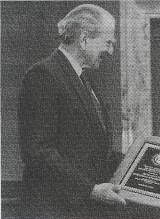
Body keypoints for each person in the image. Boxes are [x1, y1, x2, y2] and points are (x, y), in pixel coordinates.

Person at [19, 4, 126, 218]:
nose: (111, 51)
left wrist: (140, 161)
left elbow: (95, 151)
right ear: (84, 39)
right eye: (108, 43)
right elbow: (38, 152)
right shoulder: (43, 75)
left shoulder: (85, 80)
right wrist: (91, 190)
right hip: (56, 211)